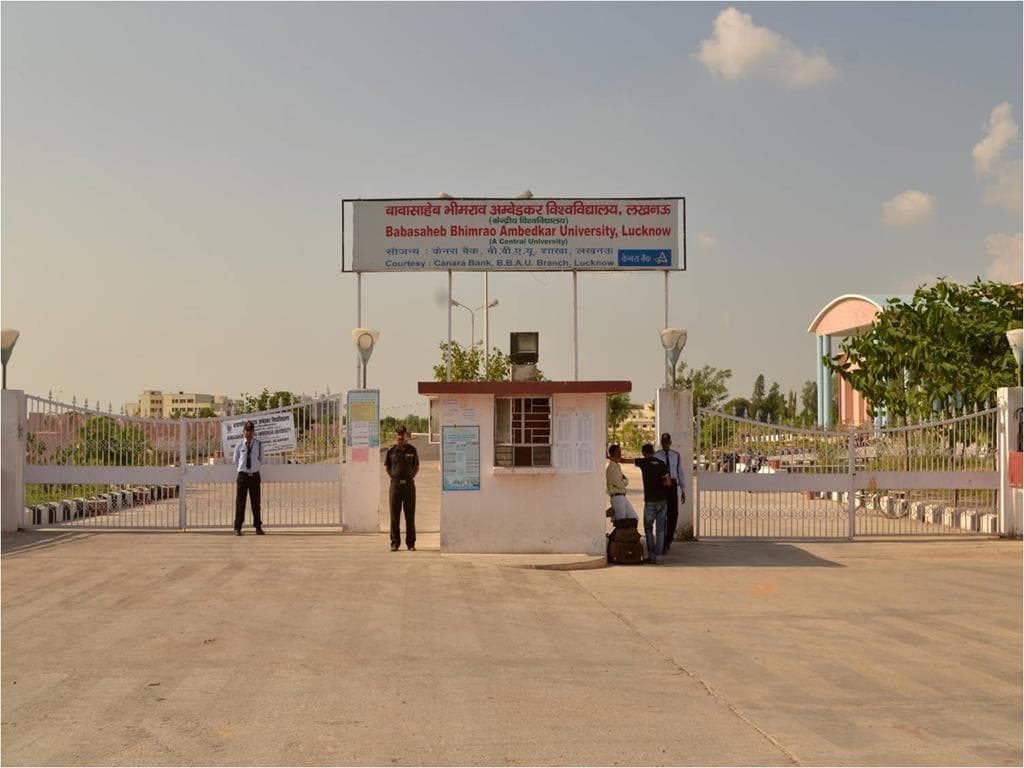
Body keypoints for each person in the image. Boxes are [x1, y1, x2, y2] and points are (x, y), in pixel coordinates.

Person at [632, 443, 671, 564]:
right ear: (653, 452)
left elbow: (625, 460)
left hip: (650, 501)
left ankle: (651, 555)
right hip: (662, 501)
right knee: (660, 530)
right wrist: (660, 483)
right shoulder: (661, 464)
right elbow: (668, 483)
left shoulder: (643, 462)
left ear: (643, 453)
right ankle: (659, 557)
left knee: (648, 528)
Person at [384, 425, 419, 551]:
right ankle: (395, 543)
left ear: (405, 436)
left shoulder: (412, 450)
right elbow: (388, 467)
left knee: (410, 516)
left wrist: (410, 476)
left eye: (402, 435)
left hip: (409, 486)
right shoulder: (391, 451)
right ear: (396, 436)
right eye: (398, 435)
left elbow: (416, 467)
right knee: (394, 516)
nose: (399, 437)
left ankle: (411, 544)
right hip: (395, 486)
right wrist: (395, 477)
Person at [654, 432, 685, 553]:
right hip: (661, 486)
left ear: (670, 443)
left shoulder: (676, 455)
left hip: (672, 485)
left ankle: (668, 540)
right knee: (662, 514)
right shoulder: (657, 455)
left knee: (673, 514)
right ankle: (662, 541)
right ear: (661, 443)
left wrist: (683, 489)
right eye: (663, 442)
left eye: (667, 442)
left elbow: (680, 472)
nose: (665, 445)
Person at [233, 421, 264, 536]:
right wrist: (243, 470)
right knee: (240, 503)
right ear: (243, 432)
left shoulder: (259, 444)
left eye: (251, 431)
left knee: (256, 503)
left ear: (254, 432)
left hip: (254, 476)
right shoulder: (239, 444)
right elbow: (236, 460)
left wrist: (253, 469)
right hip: (243, 476)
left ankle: (258, 527)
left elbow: (261, 459)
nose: (249, 433)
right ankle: (237, 527)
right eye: (247, 431)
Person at [605, 444, 638, 522]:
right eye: (617, 452)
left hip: (622, 496)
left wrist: (624, 481)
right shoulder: (611, 468)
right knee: (621, 522)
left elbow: (624, 480)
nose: (620, 454)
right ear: (612, 453)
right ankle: (614, 515)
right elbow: (620, 484)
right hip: (617, 497)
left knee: (634, 517)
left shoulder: (617, 466)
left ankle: (613, 514)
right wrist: (625, 482)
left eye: (620, 451)